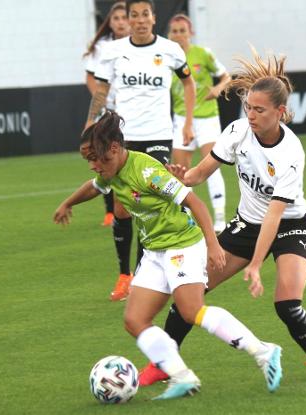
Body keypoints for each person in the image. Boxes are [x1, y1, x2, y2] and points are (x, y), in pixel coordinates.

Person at [139, 50, 306, 385]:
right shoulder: (237, 132)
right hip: (247, 225)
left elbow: (275, 217)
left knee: (287, 304)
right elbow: (200, 174)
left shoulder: (291, 152)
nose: (251, 115)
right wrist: (180, 176)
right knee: (192, 288)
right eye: (248, 107)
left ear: (281, 113)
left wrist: (256, 264)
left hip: (290, 226)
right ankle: (163, 363)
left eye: (259, 110)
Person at [53, 111, 283, 400]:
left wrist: (213, 245)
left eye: (97, 159)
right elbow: (95, 187)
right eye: (88, 160)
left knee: (191, 310)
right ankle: (182, 377)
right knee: (134, 320)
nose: (93, 166)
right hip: (154, 250)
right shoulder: (111, 171)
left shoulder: (147, 171)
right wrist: (67, 203)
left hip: (182, 245)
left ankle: (263, 351)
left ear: (114, 149)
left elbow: (194, 202)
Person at [85, 0, 196, 302]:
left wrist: (187, 122)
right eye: (134, 15)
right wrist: (90, 122)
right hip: (125, 138)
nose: (140, 20)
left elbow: (189, 84)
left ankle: (145, 274)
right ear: (128, 20)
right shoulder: (113, 51)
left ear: (153, 17)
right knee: (122, 208)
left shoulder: (170, 50)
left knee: (147, 201)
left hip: (159, 135)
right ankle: (125, 275)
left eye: (145, 14)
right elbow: (102, 91)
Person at [167, 14, 230, 233]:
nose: (178, 35)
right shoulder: (165, 57)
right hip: (181, 119)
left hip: (207, 118)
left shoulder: (203, 54)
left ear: (190, 33)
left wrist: (218, 89)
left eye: (182, 31)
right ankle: (189, 221)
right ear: (169, 34)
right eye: (174, 31)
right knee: (180, 173)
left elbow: (226, 76)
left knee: (210, 166)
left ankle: (220, 218)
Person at [84, 1, 129, 229]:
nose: (121, 22)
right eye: (116, 19)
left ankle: (132, 207)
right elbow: (91, 78)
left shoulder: (140, 46)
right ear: (110, 23)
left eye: (124, 18)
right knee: (105, 159)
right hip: (108, 112)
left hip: (132, 113)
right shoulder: (103, 47)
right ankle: (110, 211)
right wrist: (103, 101)